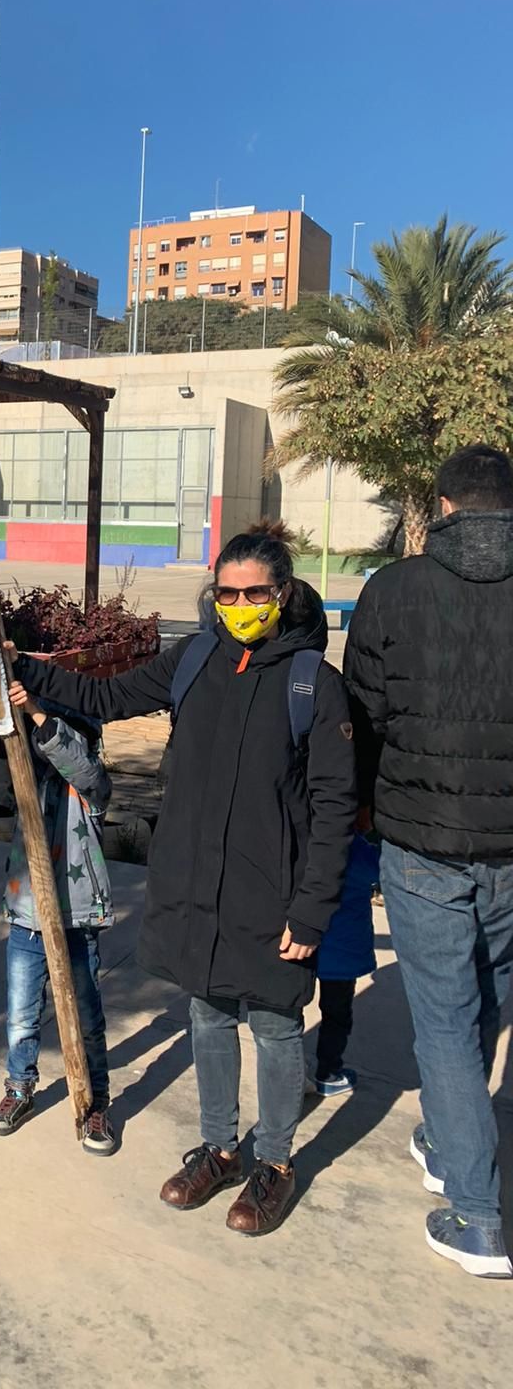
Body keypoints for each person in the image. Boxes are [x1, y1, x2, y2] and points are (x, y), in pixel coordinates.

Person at [8, 523, 356, 1235]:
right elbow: (104, 697)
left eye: (255, 592)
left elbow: (334, 807)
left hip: (273, 890)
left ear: (283, 593)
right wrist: (29, 671)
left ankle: (277, 1163)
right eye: (227, 593)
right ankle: (221, 1147)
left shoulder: (312, 685)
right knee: (209, 1014)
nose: (239, 604)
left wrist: (312, 910)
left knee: (276, 1024)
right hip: (197, 882)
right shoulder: (195, 658)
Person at [344, 444, 513, 1279]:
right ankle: (451, 1136)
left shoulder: (392, 590)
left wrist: (365, 804)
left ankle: (476, 1212)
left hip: (418, 840)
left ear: (442, 506)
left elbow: (362, 711)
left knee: (445, 1018)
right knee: (488, 998)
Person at [0, 686, 116, 1155]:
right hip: (28, 917)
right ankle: (19, 1087)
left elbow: (77, 762)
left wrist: (37, 712)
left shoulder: (91, 786)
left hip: (76, 918)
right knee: (21, 1016)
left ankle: (96, 1099)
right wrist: (3, 737)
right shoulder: (28, 782)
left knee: (85, 1017)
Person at [307, 826, 381, 1097]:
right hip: (342, 953)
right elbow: (377, 872)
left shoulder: (303, 837)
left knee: (288, 1015)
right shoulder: (356, 846)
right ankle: (328, 1072)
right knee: (336, 1015)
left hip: (301, 943)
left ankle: (289, 1073)